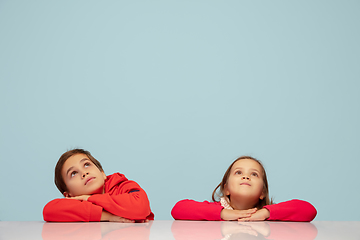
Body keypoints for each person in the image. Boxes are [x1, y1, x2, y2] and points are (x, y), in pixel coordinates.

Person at [171, 156, 317, 221]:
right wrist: (224, 214)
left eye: (254, 174)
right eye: (238, 172)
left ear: (263, 192)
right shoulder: (214, 210)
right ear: (226, 188)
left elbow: (309, 210)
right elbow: (178, 209)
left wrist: (265, 213)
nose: (246, 177)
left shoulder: (269, 214)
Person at [43, 149, 154, 222]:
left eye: (86, 165)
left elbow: (141, 207)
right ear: (69, 195)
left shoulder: (122, 185)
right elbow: (48, 211)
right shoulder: (74, 203)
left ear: (102, 173)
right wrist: (107, 217)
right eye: (73, 173)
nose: (84, 173)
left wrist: (90, 198)